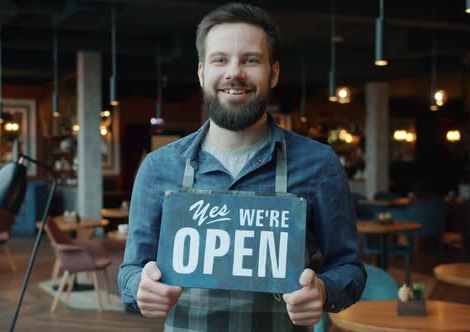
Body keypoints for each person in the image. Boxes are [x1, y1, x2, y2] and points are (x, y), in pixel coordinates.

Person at [118, 3, 366, 331]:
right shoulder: (158, 167)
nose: (235, 73)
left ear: (273, 73)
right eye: (220, 59)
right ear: (202, 72)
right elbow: (130, 270)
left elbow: (349, 267)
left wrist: (323, 291)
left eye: (250, 60)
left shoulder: (319, 164)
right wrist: (140, 287)